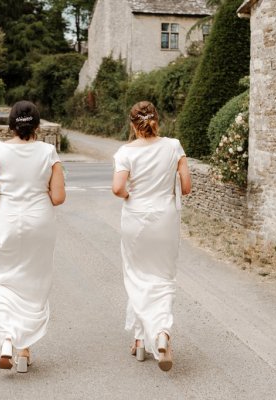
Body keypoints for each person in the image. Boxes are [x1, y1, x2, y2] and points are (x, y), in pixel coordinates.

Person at [0, 101, 66, 373]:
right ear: (37, 125)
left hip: (7, 221)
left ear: (11, 125)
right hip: (39, 222)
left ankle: (7, 340)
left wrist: (2, 209)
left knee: (5, 281)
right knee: (34, 283)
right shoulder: (49, 152)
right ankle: (25, 351)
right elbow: (59, 197)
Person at [111, 101, 191, 371]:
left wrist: (132, 196)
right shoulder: (174, 146)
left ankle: (142, 338)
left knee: (137, 276)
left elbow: (118, 188)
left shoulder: (125, 152)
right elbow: (187, 186)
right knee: (163, 278)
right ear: (158, 120)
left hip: (136, 218)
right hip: (165, 219)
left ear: (133, 125)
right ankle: (159, 334)